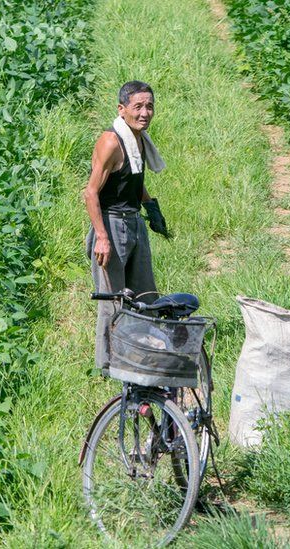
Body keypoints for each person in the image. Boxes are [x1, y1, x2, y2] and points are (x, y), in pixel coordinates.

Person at [83, 80, 170, 374]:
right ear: (122, 110)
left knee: (146, 296)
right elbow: (91, 192)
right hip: (112, 225)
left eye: (150, 106)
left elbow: (133, 179)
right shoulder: (111, 142)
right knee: (113, 300)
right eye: (138, 107)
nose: (145, 113)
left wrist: (151, 207)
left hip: (133, 222)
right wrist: (102, 238)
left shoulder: (138, 140)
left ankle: (140, 356)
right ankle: (109, 366)